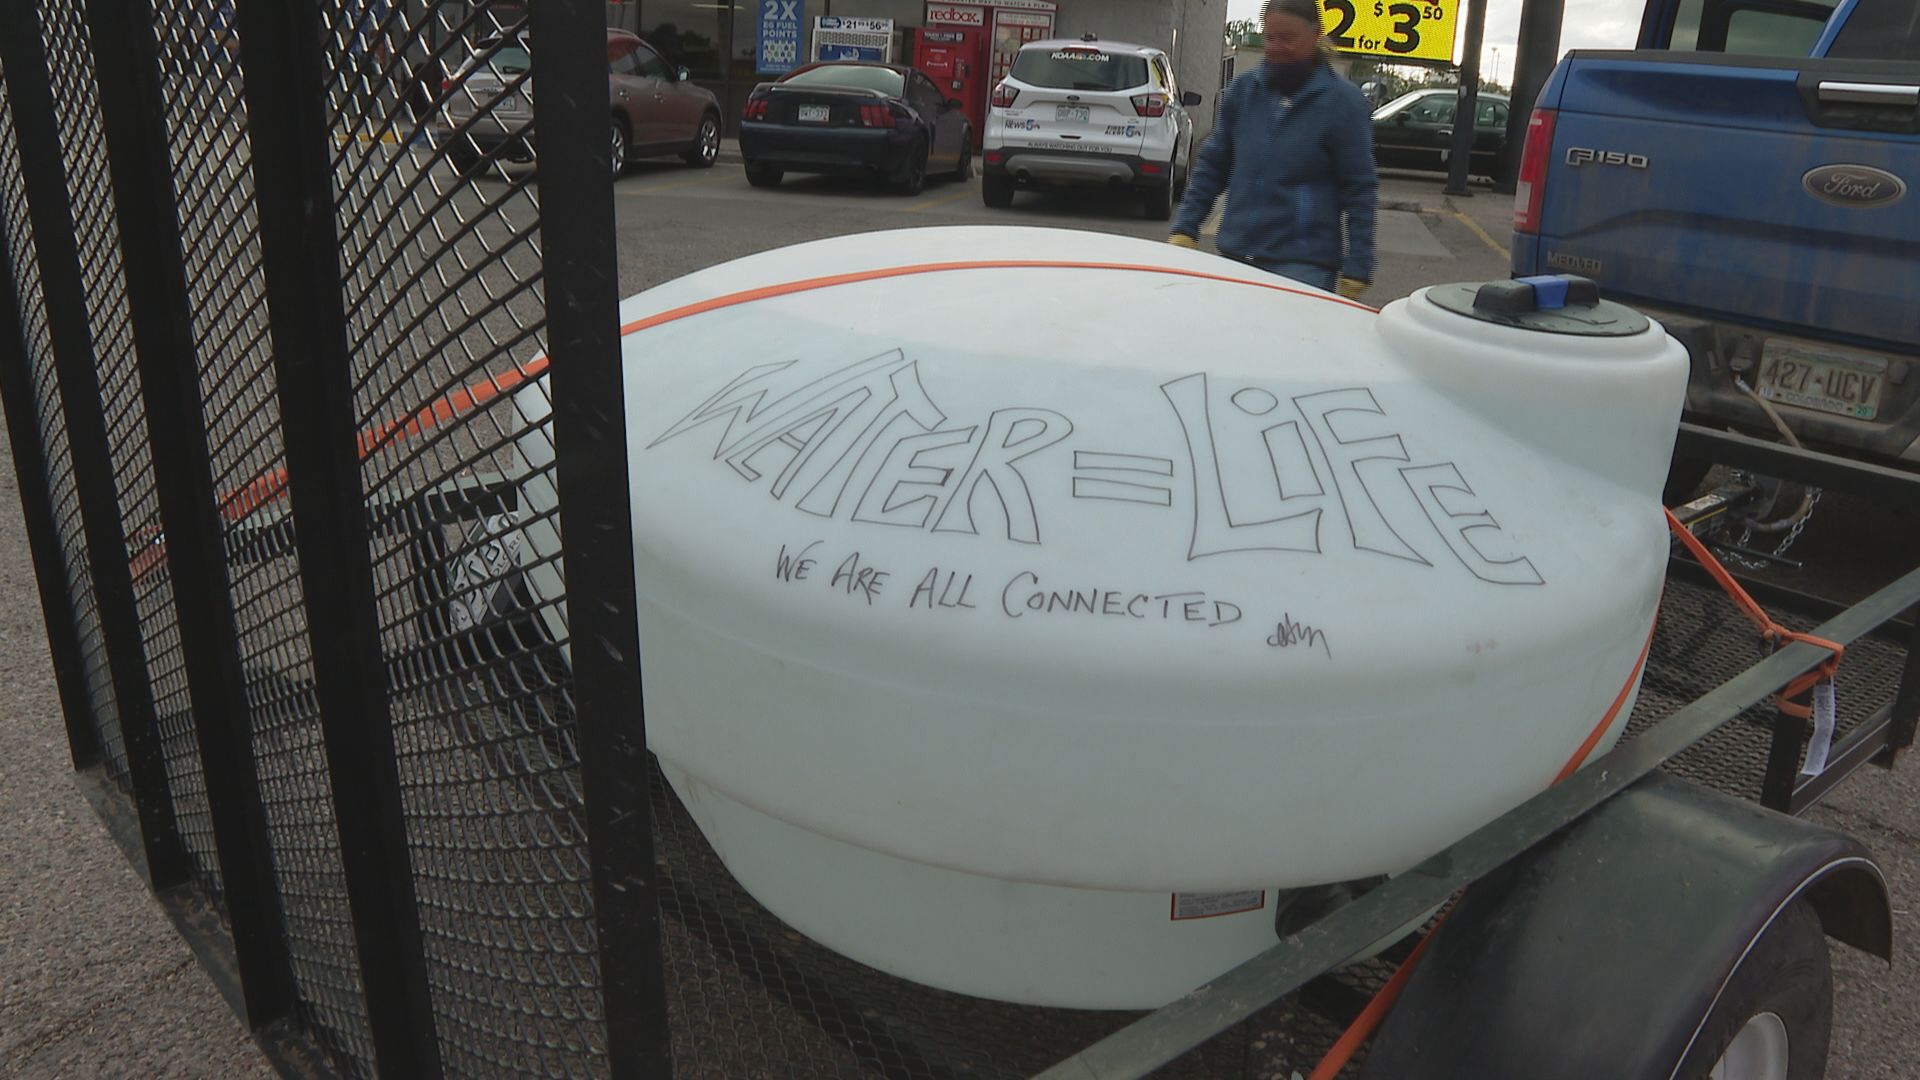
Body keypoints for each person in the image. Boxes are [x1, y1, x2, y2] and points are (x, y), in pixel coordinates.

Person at [1168, 0, 1377, 299]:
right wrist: (1186, 225)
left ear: (1315, 34)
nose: (1276, 47)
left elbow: (1359, 189)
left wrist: (1359, 264)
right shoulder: (1244, 91)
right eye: (1270, 38)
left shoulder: (1343, 104)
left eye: (1288, 39)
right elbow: (1214, 165)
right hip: (1236, 256)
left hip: (1303, 268)